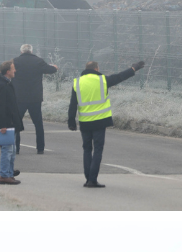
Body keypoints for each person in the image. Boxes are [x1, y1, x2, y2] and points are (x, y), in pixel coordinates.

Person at [67, 60, 145, 188]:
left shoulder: (77, 82)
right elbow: (120, 76)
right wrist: (133, 68)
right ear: (96, 69)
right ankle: (92, 180)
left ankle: (88, 179)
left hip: (85, 122)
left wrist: (71, 121)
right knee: (97, 150)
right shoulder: (102, 80)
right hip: (100, 121)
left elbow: (72, 104)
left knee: (87, 150)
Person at [10, 44, 57, 155]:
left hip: (19, 97)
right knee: (38, 124)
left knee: (16, 123)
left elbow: (6, 73)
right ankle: (40, 148)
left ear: (21, 51)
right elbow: (50, 70)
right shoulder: (38, 61)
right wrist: (54, 67)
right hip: (35, 98)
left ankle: (16, 148)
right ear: (31, 51)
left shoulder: (15, 61)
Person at [0, 60, 22, 185]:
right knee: (7, 150)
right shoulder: (1, 85)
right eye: (13, 68)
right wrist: (2, 125)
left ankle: (9, 174)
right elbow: (0, 106)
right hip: (7, 123)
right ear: (8, 71)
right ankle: (4, 175)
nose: (15, 71)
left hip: (11, 121)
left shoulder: (7, 83)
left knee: (12, 151)